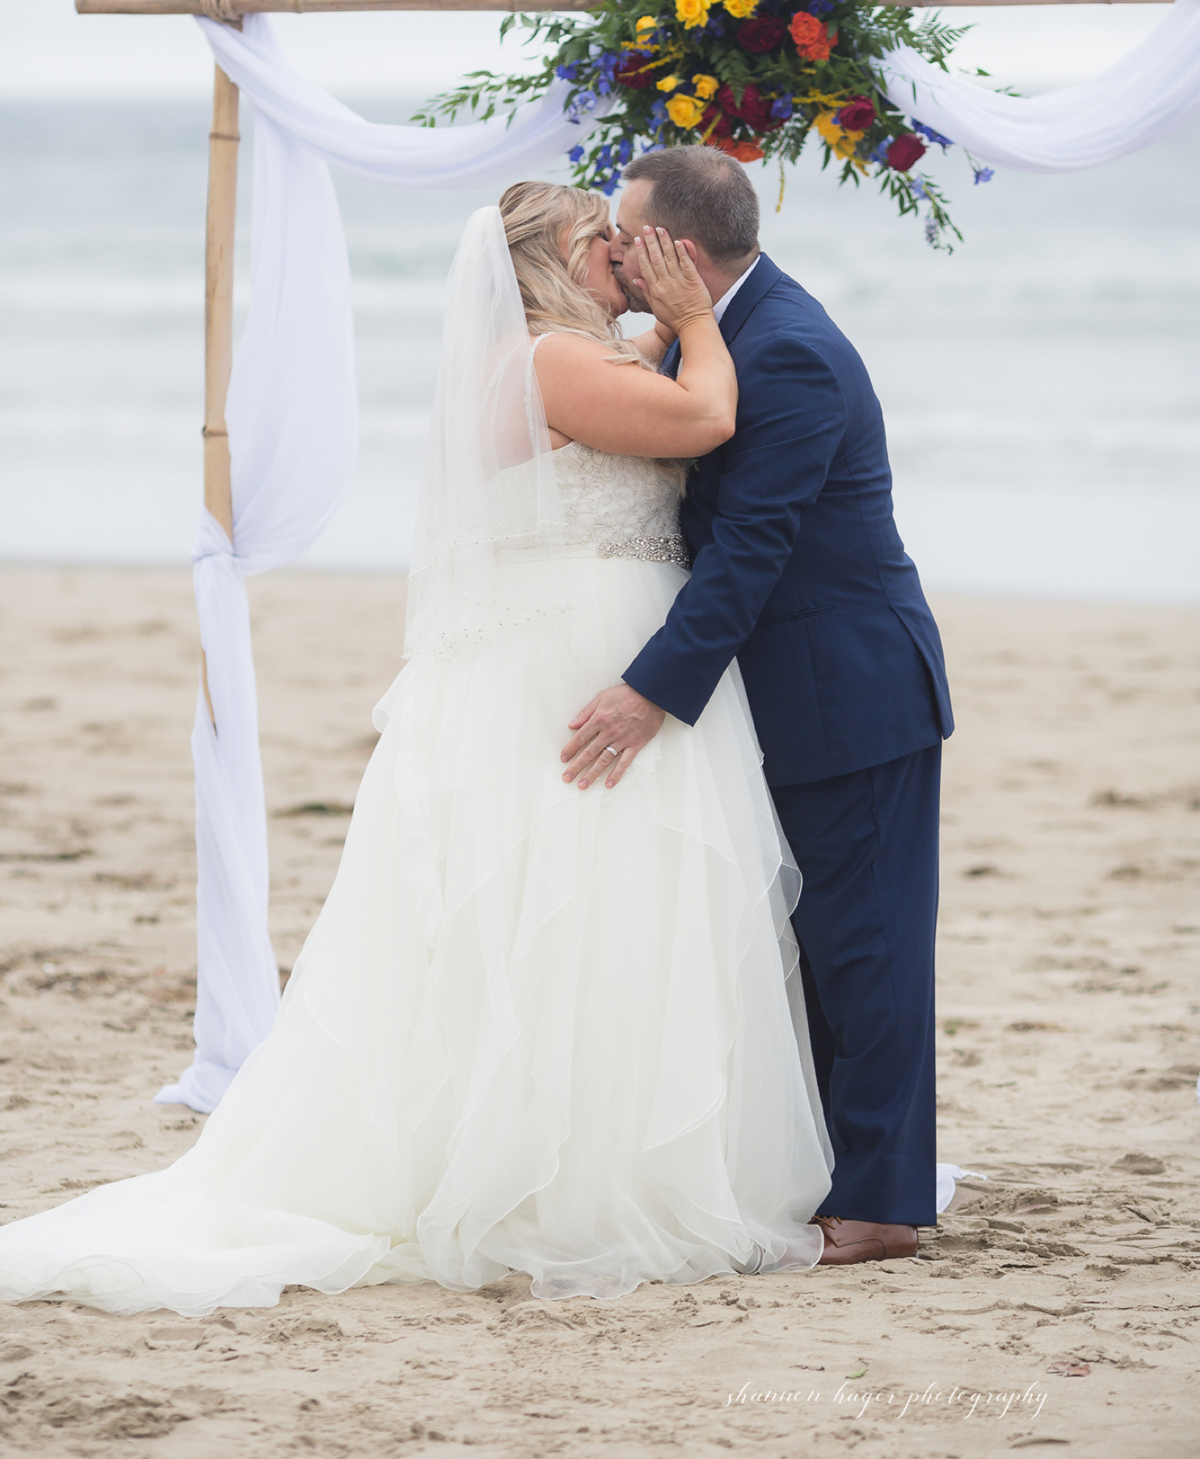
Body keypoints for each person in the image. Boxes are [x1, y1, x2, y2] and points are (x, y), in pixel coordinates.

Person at [0, 181, 833, 1316]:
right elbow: (703, 422)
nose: (626, 260)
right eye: (603, 243)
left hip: (584, 638)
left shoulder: (578, 350)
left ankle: (606, 1146)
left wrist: (671, 319)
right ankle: (541, 1176)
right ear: (540, 263)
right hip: (577, 657)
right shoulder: (549, 363)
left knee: (616, 911)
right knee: (568, 903)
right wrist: (694, 322)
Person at [559, 147, 953, 1266]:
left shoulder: (788, 354)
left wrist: (647, 693)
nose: (616, 255)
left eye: (626, 236)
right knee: (806, 943)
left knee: (866, 944)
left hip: (851, 686)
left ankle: (879, 1204)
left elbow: (753, 553)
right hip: (781, 691)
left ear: (675, 250)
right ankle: (835, 1172)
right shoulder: (717, 333)